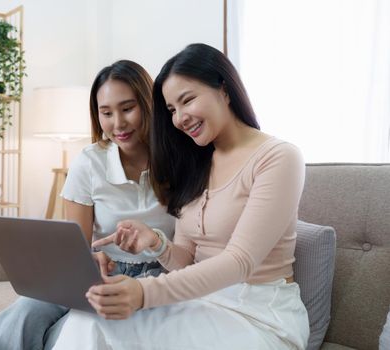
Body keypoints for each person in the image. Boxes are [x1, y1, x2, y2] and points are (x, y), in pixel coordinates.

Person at [46, 43, 310, 350]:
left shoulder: (278, 158)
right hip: (202, 303)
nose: (180, 118)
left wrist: (143, 292)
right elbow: (186, 258)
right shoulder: (197, 162)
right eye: (172, 110)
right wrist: (156, 241)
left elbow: (240, 261)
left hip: (259, 314)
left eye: (187, 100)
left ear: (223, 88)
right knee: (88, 321)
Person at [0, 60, 175, 350]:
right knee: (21, 316)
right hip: (96, 275)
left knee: (72, 333)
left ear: (149, 104)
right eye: (106, 113)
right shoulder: (89, 162)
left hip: (157, 277)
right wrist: (91, 259)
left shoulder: (180, 160)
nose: (118, 124)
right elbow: (78, 244)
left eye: (127, 109)